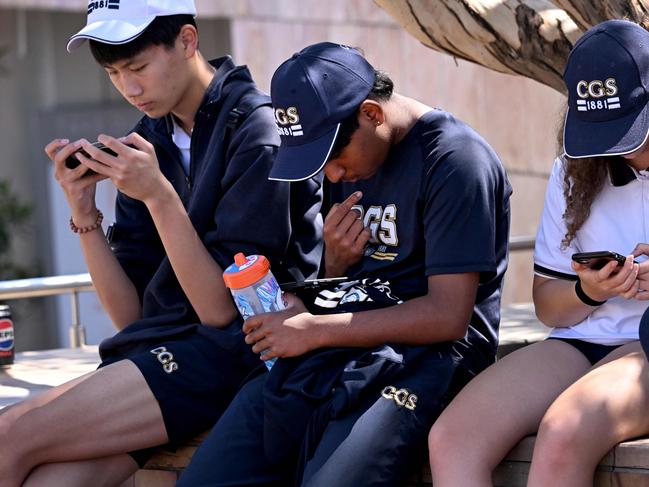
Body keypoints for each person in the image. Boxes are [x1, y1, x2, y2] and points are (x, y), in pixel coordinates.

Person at [0, 1, 322, 486]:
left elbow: (222, 312)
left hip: (241, 354)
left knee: (9, 435)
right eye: (114, 73)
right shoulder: (149, 141)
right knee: (55, 480)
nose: (129, 88)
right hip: (163, 355)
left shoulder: (257, 130)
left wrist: (158, 196)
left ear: (187, 41)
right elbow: (130, 316)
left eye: (137, 67)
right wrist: (84, 213)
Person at [176, 41, 511, 487]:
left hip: (433, 359)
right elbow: (350, 289)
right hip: (341, 348)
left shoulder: (455, 161)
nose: (330, 175)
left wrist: (314, 330)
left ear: (371, 114)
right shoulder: (353, 162)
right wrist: (333, 266)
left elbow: (449, 317)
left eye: (333, 157)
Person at [428, 19, 649, 487]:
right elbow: (549, 305)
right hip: (580, 340)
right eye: (601, 130)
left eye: (628, 131)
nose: (616, 150)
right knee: (452, 437)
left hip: (645, 345)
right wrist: (589, 292)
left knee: (564, 430)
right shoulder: (575, 170)